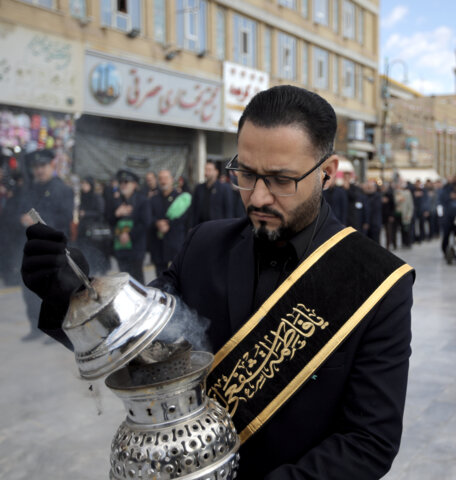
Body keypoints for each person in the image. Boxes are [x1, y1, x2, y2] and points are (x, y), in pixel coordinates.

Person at [21, 85, 415, 479]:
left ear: (327, 173)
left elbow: (368, 441)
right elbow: (140, 346)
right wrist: (75, 296)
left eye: (280, 179)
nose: (258, 197)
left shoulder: (377, 281)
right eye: (245, 173)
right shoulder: (204, 245)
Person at [17, 149, 73, 340]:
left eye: (43, 166)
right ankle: (36, 328)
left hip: (53, 249)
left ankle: (60, 330)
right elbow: (18, 211)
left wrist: (39, 222)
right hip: (32, 249)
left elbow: (64, 218)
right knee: (30, 289)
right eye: (36, 167)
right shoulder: (30, 190)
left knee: (55, 291)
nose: (39, 170)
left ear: (51, 165)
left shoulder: (63, 189)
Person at [107, 170, 151, 283]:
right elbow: (108, 220)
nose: (123, 184)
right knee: (124, 280)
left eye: (126, 182)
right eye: (121, 182)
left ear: (135, 185)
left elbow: (145, 222)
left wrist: (129, 235)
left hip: (135, 247)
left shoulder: (142, 201)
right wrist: (117, 214)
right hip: (120, 247)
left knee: (137, 280)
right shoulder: (116, 200)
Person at [149, 169, 190, 277]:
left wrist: (169, 224)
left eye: (166, 178)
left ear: (172, 180)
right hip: (158, 245)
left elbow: (186, 218)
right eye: (160, 178)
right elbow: (148, 217)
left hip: (175, 243)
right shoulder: (153, 199)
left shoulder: (180, 198)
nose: (163, 181)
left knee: (177, 277)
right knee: (160, 279)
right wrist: (157, 223)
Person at [190, 160, 234, 227]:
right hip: (201, 227)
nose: (206, 172)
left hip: (217, 227)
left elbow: (228, 211)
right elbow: (194, 209)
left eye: (209, 170)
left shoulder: (224, 188)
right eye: (205, 169)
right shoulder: (199, 188)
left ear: (216, 172)